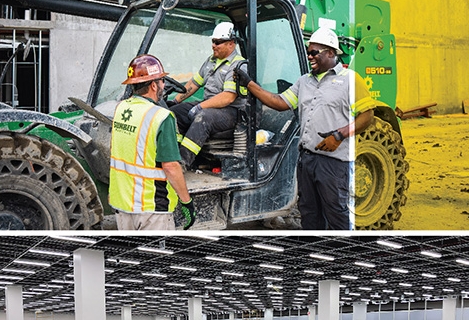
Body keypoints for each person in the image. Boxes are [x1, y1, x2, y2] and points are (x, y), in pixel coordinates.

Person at [234, 26, 380, 230]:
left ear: (331, 53)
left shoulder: (349, 80)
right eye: (307, 51)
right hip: (306, 159)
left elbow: (368, 115)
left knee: (336, 213)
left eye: (314, 52)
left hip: (334, 163)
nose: (309, 56)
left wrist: (339, 135)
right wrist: (250, 84)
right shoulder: (304, 81)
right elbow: (279, 101)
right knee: (309, 213)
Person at [108, 54, 197, 230]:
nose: (164, 85)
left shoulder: (120, 109)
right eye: (162, 81)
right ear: (154, 85)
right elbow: (171, 167)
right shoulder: (161, 117)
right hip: (151, 209)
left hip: (122, 205)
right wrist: (186, 201)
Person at [170, 22, 249, 169]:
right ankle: (171, 155)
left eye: (218, 42)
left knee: (203, 117)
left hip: (231, 111)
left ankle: (182, 163)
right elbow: (194, 83)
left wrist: (200, 106)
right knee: (173, 113)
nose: (213, 45)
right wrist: (175, 100)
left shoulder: (238, 66)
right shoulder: (211, 60)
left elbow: (228, 97)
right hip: (208, 104)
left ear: (231, 44)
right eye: (213, 41)